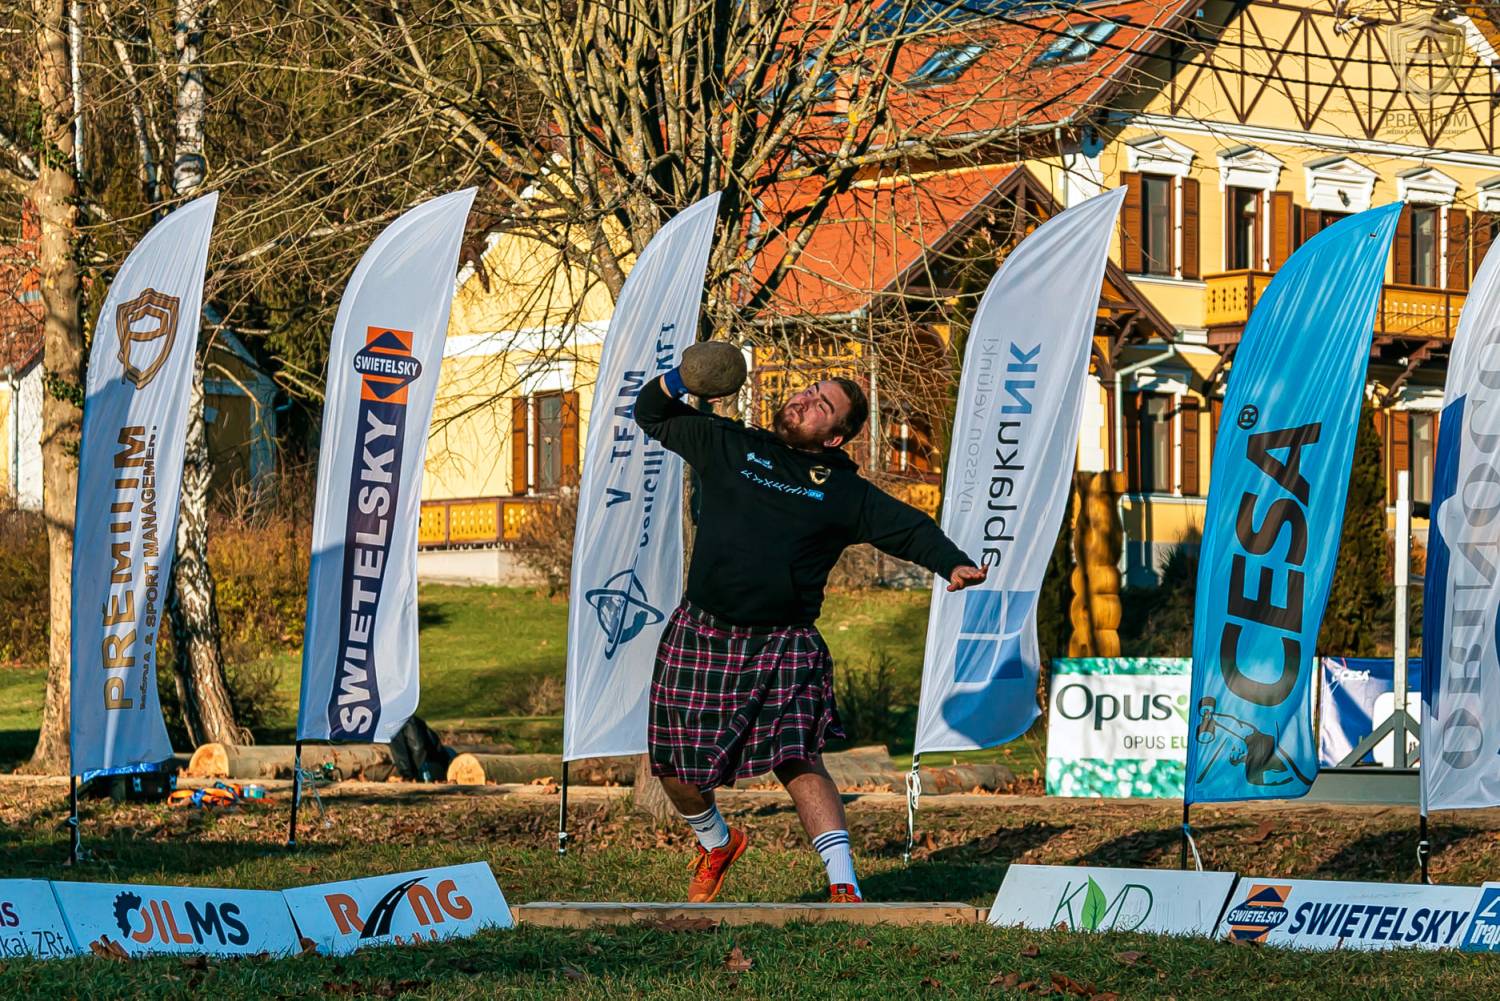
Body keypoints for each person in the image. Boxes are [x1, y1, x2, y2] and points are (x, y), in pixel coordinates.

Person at [633, 357, 987, 904]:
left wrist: (951, 562)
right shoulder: (728, 444)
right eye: (809, 390)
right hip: (701, 632)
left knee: (797, 757)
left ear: (835, 437)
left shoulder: (844, 493)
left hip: (784, 640)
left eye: (822, 405)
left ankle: (844, 883)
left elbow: (910, 529)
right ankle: (717, 844)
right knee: (674, 766)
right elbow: (652, 413)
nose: (803, 399)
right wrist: (684, 378)